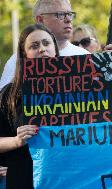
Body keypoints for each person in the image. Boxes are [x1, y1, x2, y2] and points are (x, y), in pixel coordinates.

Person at [0, 24, 60, 188]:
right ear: (24, 55)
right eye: (34, 46)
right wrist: (16, 141)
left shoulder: (80, 88)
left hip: (67, 178)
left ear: (54, 49)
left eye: (46, 43)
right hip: (24, 178)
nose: (42, 49)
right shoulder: (9, 95)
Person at [0, 0, 89, 90]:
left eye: (70, 14)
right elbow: (5, 100)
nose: (68, 19)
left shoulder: (85, 57)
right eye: (60, 14)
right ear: (40, 20)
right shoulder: (17, 61)